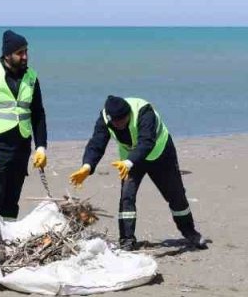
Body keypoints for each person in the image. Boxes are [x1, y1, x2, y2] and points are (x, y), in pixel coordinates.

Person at [69, 95, 207, 251]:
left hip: (160, 154)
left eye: (122, 120)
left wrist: (129, 162)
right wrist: (87, 166)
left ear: (128, 114)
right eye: (115, 122)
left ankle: (190, 232)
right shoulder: (105, 118)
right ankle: (127, 240)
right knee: (126, 197)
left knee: (176, 195)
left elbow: (147, 141)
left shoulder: (144, 111)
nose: (119, 124)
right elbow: (97, 143)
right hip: (129, 160)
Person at [0, 30, 48, 270]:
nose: (25, 57)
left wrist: (41, 146)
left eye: (26, 52)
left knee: (11, 201)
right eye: (20, 53)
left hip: (21, 146)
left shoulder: (31, 76)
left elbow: (38, 113)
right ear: (7, 54)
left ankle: (6, 243)